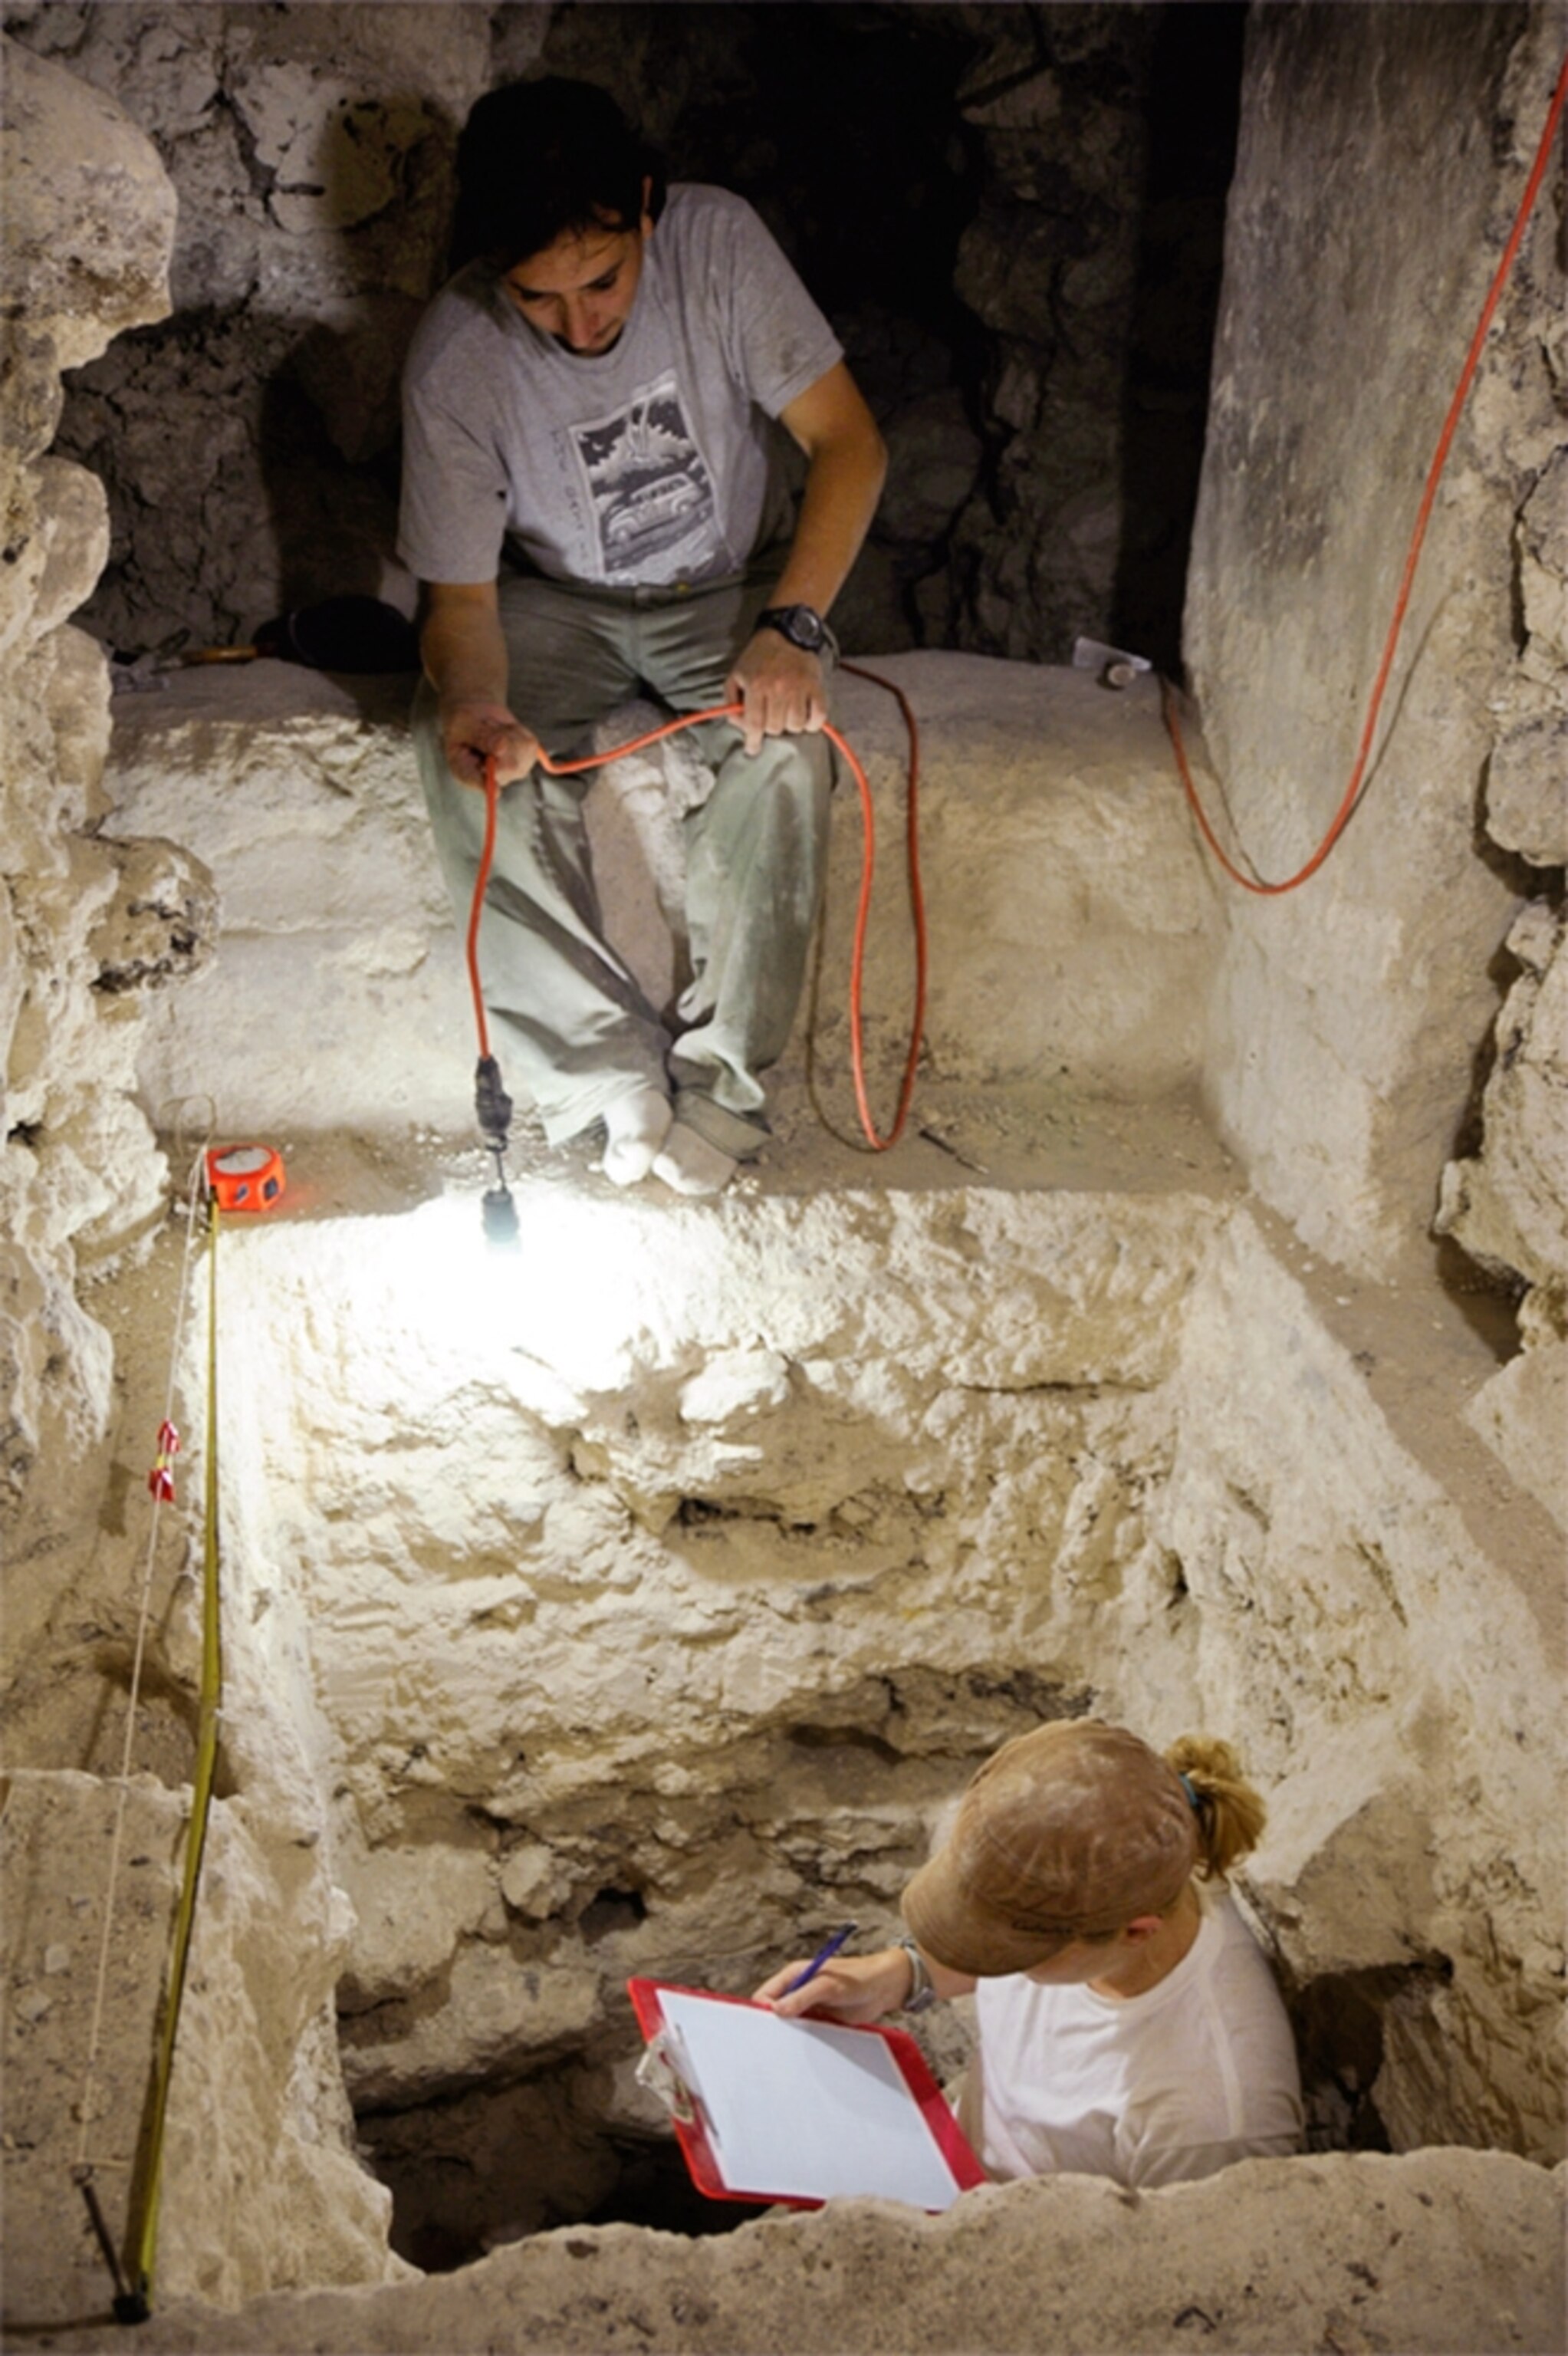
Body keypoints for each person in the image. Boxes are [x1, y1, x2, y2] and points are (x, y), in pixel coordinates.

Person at [398, 77, 886, 1196]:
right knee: (460, 755)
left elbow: (849, 443)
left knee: (786, 755)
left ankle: (723, 1092)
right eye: (538, 297)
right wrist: (480, 706)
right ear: (490, 274)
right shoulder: (455, 359)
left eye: (605, 279)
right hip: (556, 600)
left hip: (730, 586)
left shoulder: (716, 245)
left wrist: (794, 627)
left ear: (647, 211)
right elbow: (462, 607)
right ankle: (600, 1075)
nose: (581, 323)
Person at [755, 1719, 1303, 2191]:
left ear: (1135, 1932)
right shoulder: (1099, 1855)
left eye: (1010, 1952)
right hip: (936, 2161)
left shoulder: (1211, 2119)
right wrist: (898, 1974)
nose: (992, 1959)